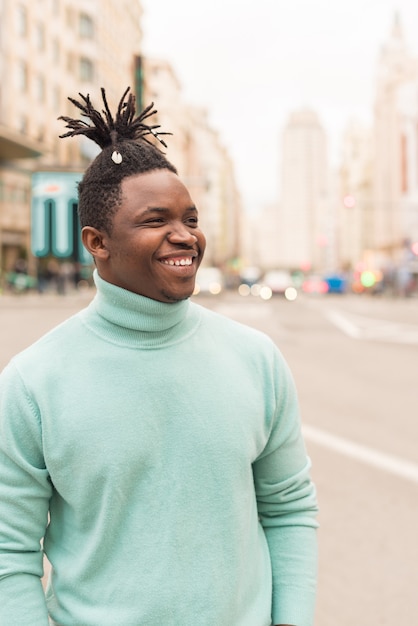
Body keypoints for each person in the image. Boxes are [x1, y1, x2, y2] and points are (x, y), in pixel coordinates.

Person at [0, 87, 318, 626]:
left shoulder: (256, 358)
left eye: (189, 219)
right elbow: (9, 554)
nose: (184, 237)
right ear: (96, 242)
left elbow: (289, 510)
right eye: (156, 221)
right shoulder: (33, 383)